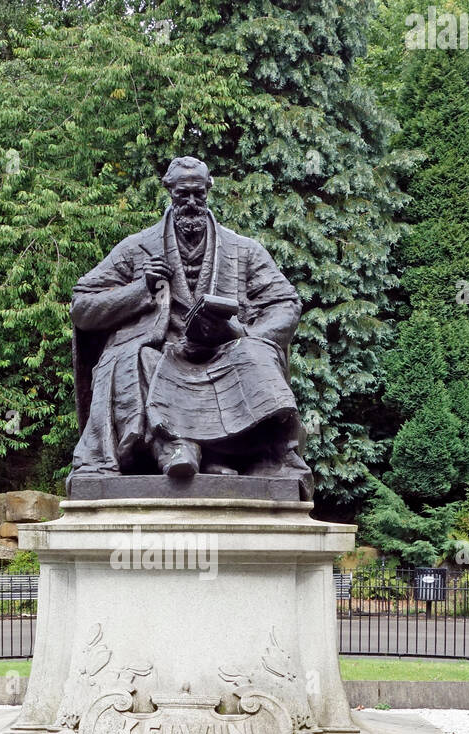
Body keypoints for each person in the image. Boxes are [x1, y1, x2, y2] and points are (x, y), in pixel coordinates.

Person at [68, 156, 311, 498]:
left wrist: (246, 336)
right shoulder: (137, 248)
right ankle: (177, 448)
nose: (192, 203)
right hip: (162, 353)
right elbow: (83, 306)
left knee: (256, 355)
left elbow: (285, 303)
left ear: (209, 191)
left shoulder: (243, 250)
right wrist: (141, 289)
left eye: (199, 194)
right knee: (132, 358)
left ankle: (219, 453)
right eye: (184, 195)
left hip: (224, 353)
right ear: (169, 191)